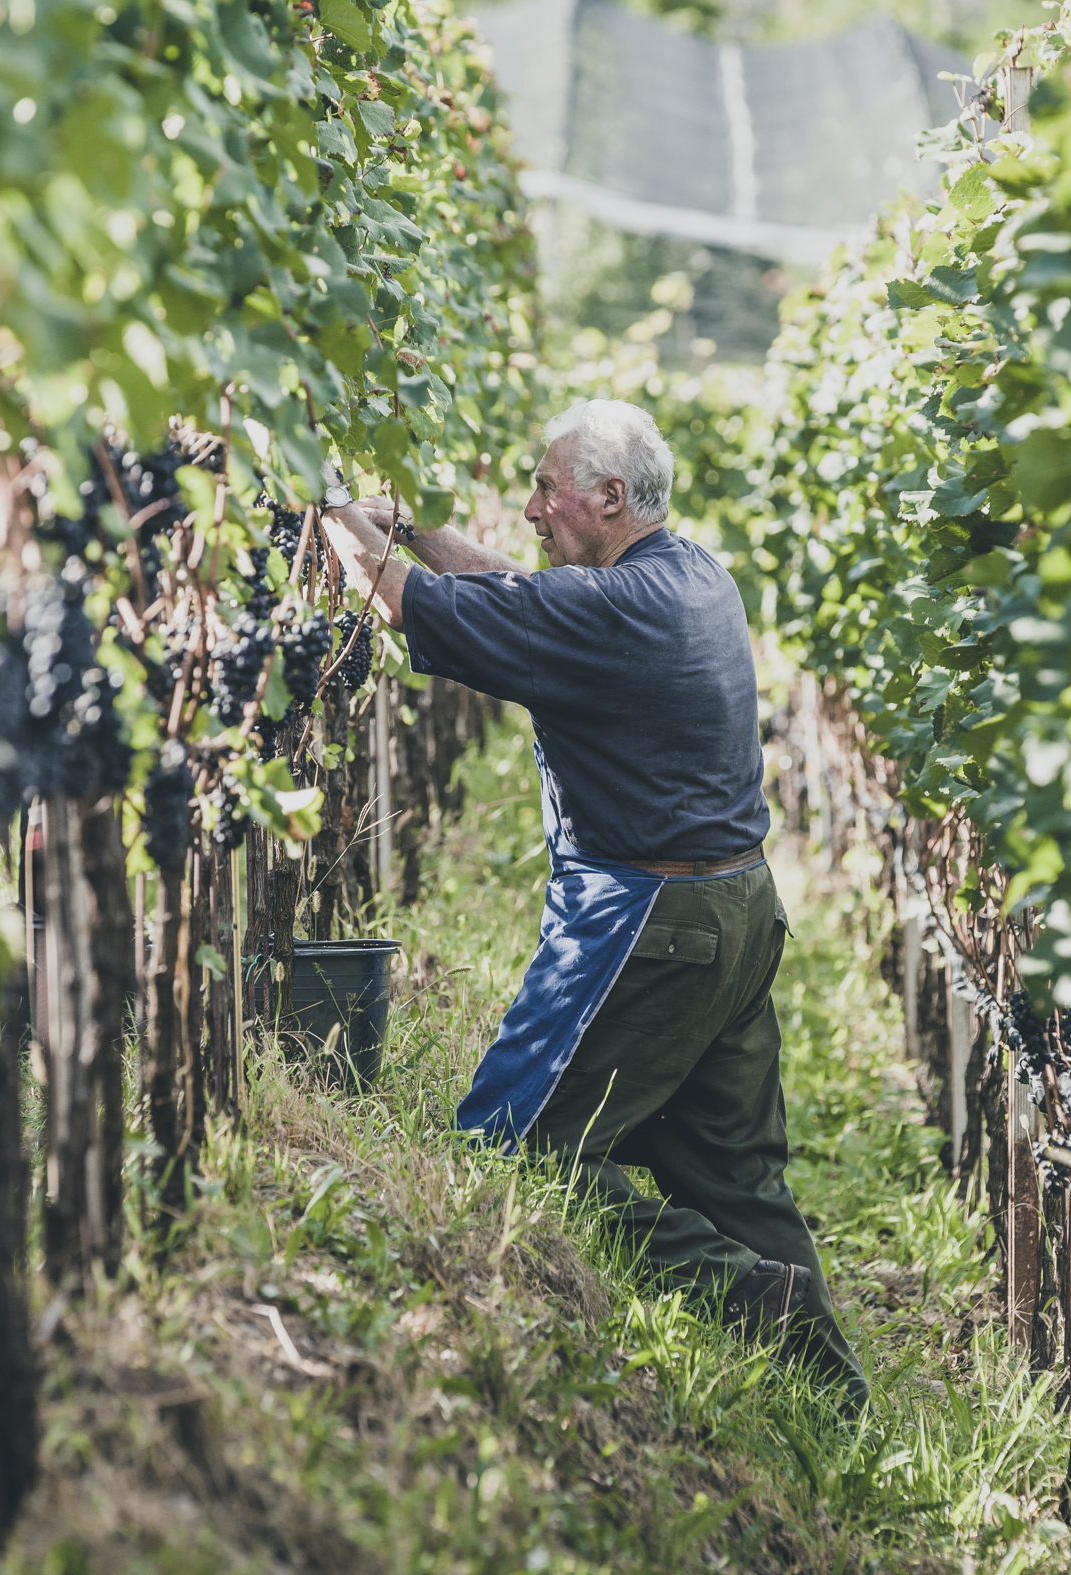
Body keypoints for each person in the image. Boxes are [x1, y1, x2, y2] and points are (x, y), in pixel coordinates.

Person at [318, 399, 865, 1410]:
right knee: (734, 1176)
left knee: (517, 1149)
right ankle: (832, 1398)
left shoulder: (612, 611)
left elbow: (406, 605)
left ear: (610, 497)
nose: (529, 508)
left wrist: (326, 509)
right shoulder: (689, 576)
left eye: (546, 489)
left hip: (649, 925)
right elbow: (519, 595)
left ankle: (747, 1298)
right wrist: (418, 525)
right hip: (738, 912)